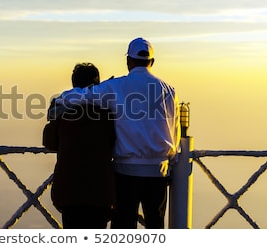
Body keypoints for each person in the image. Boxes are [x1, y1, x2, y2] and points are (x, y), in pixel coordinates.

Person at [53, 38, 181, 229]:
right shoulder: (168, 90)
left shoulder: (115, 87)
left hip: (125, 173)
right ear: (152, 62)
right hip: (158, 172)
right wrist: (172, 164)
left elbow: (80, 96)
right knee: (155, 226)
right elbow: (175, 133)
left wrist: (59, 101)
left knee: (123, 228)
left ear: (128, 61)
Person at [43, 62, 116, 229]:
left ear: (74, 84)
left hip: (69, 192)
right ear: (97, 85)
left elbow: (49, 142)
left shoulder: (62, 112)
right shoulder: (108, 113)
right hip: (100, 192)